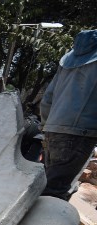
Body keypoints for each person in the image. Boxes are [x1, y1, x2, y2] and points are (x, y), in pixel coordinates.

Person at [40, 29, 97, 201]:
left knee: (46, 186)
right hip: (80, 133)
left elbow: (47, 98)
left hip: (53, 129)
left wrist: (46, 127)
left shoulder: (67, 61)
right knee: (54, 194)